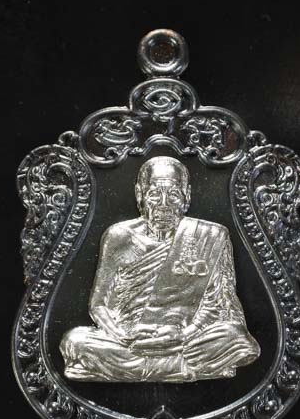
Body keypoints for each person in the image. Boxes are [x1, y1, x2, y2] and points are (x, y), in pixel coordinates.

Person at [60, 156, 259, 382]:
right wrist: (123, 335)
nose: (164, 204)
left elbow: (219, 303)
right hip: (131, 340)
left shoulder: (212, 236)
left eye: (173, 195)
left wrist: (184, 334)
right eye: (155, 194)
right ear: (140, 195)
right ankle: (182, 368)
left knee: (235, 337)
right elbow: (98, 305)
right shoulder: (118, 236)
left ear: (186, 197)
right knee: (74, 341)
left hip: (186, 339)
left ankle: (141, 368)